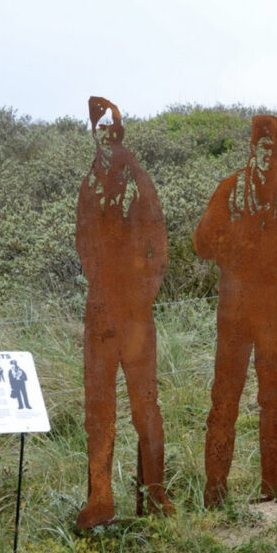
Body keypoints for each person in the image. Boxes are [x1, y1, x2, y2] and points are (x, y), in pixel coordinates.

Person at [195, 115, 277, 507]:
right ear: (252, 148)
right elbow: (202, 241)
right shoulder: (230, 190)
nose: (268, 155)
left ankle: (272, 481)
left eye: (274, 149)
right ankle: (215, 488)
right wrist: (238, 252)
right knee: (225, 396)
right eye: (262, 148)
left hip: (275, 315)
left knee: (274, 395)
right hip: (236, 313)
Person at [75, 96, 173, 529]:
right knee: (98, 410)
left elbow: (159, 244)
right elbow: (83, 244)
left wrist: (143, 293)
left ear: (121, 132)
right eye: (101, 129)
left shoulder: (140, 181)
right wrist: (103, 285)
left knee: (145, 405)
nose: (108, 135)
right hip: (100, 312)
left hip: (135, 314)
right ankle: (100, 500)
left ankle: (154, 495)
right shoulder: (89, 184)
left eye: (114, 129)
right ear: (94, 133)